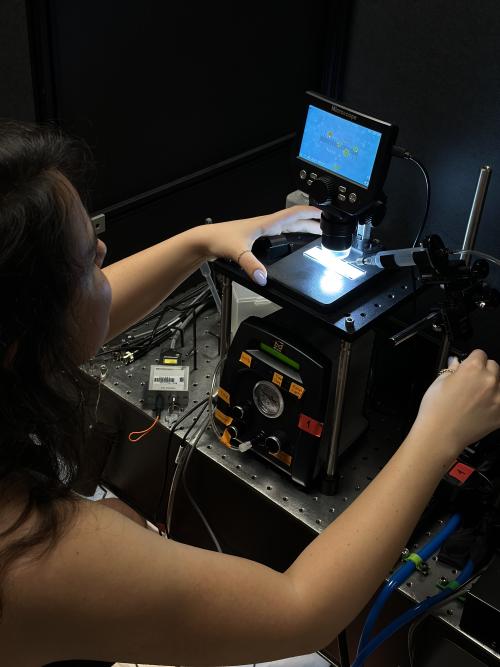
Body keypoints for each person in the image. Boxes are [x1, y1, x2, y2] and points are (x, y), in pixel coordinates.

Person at [1, 119, 500, 667]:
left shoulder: (17, 354)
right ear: (27, 328)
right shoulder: (29, 554)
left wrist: (200, 241)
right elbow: (299, 612)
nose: (104, 250)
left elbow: (69, 323)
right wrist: (437, 436)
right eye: (89, 262)